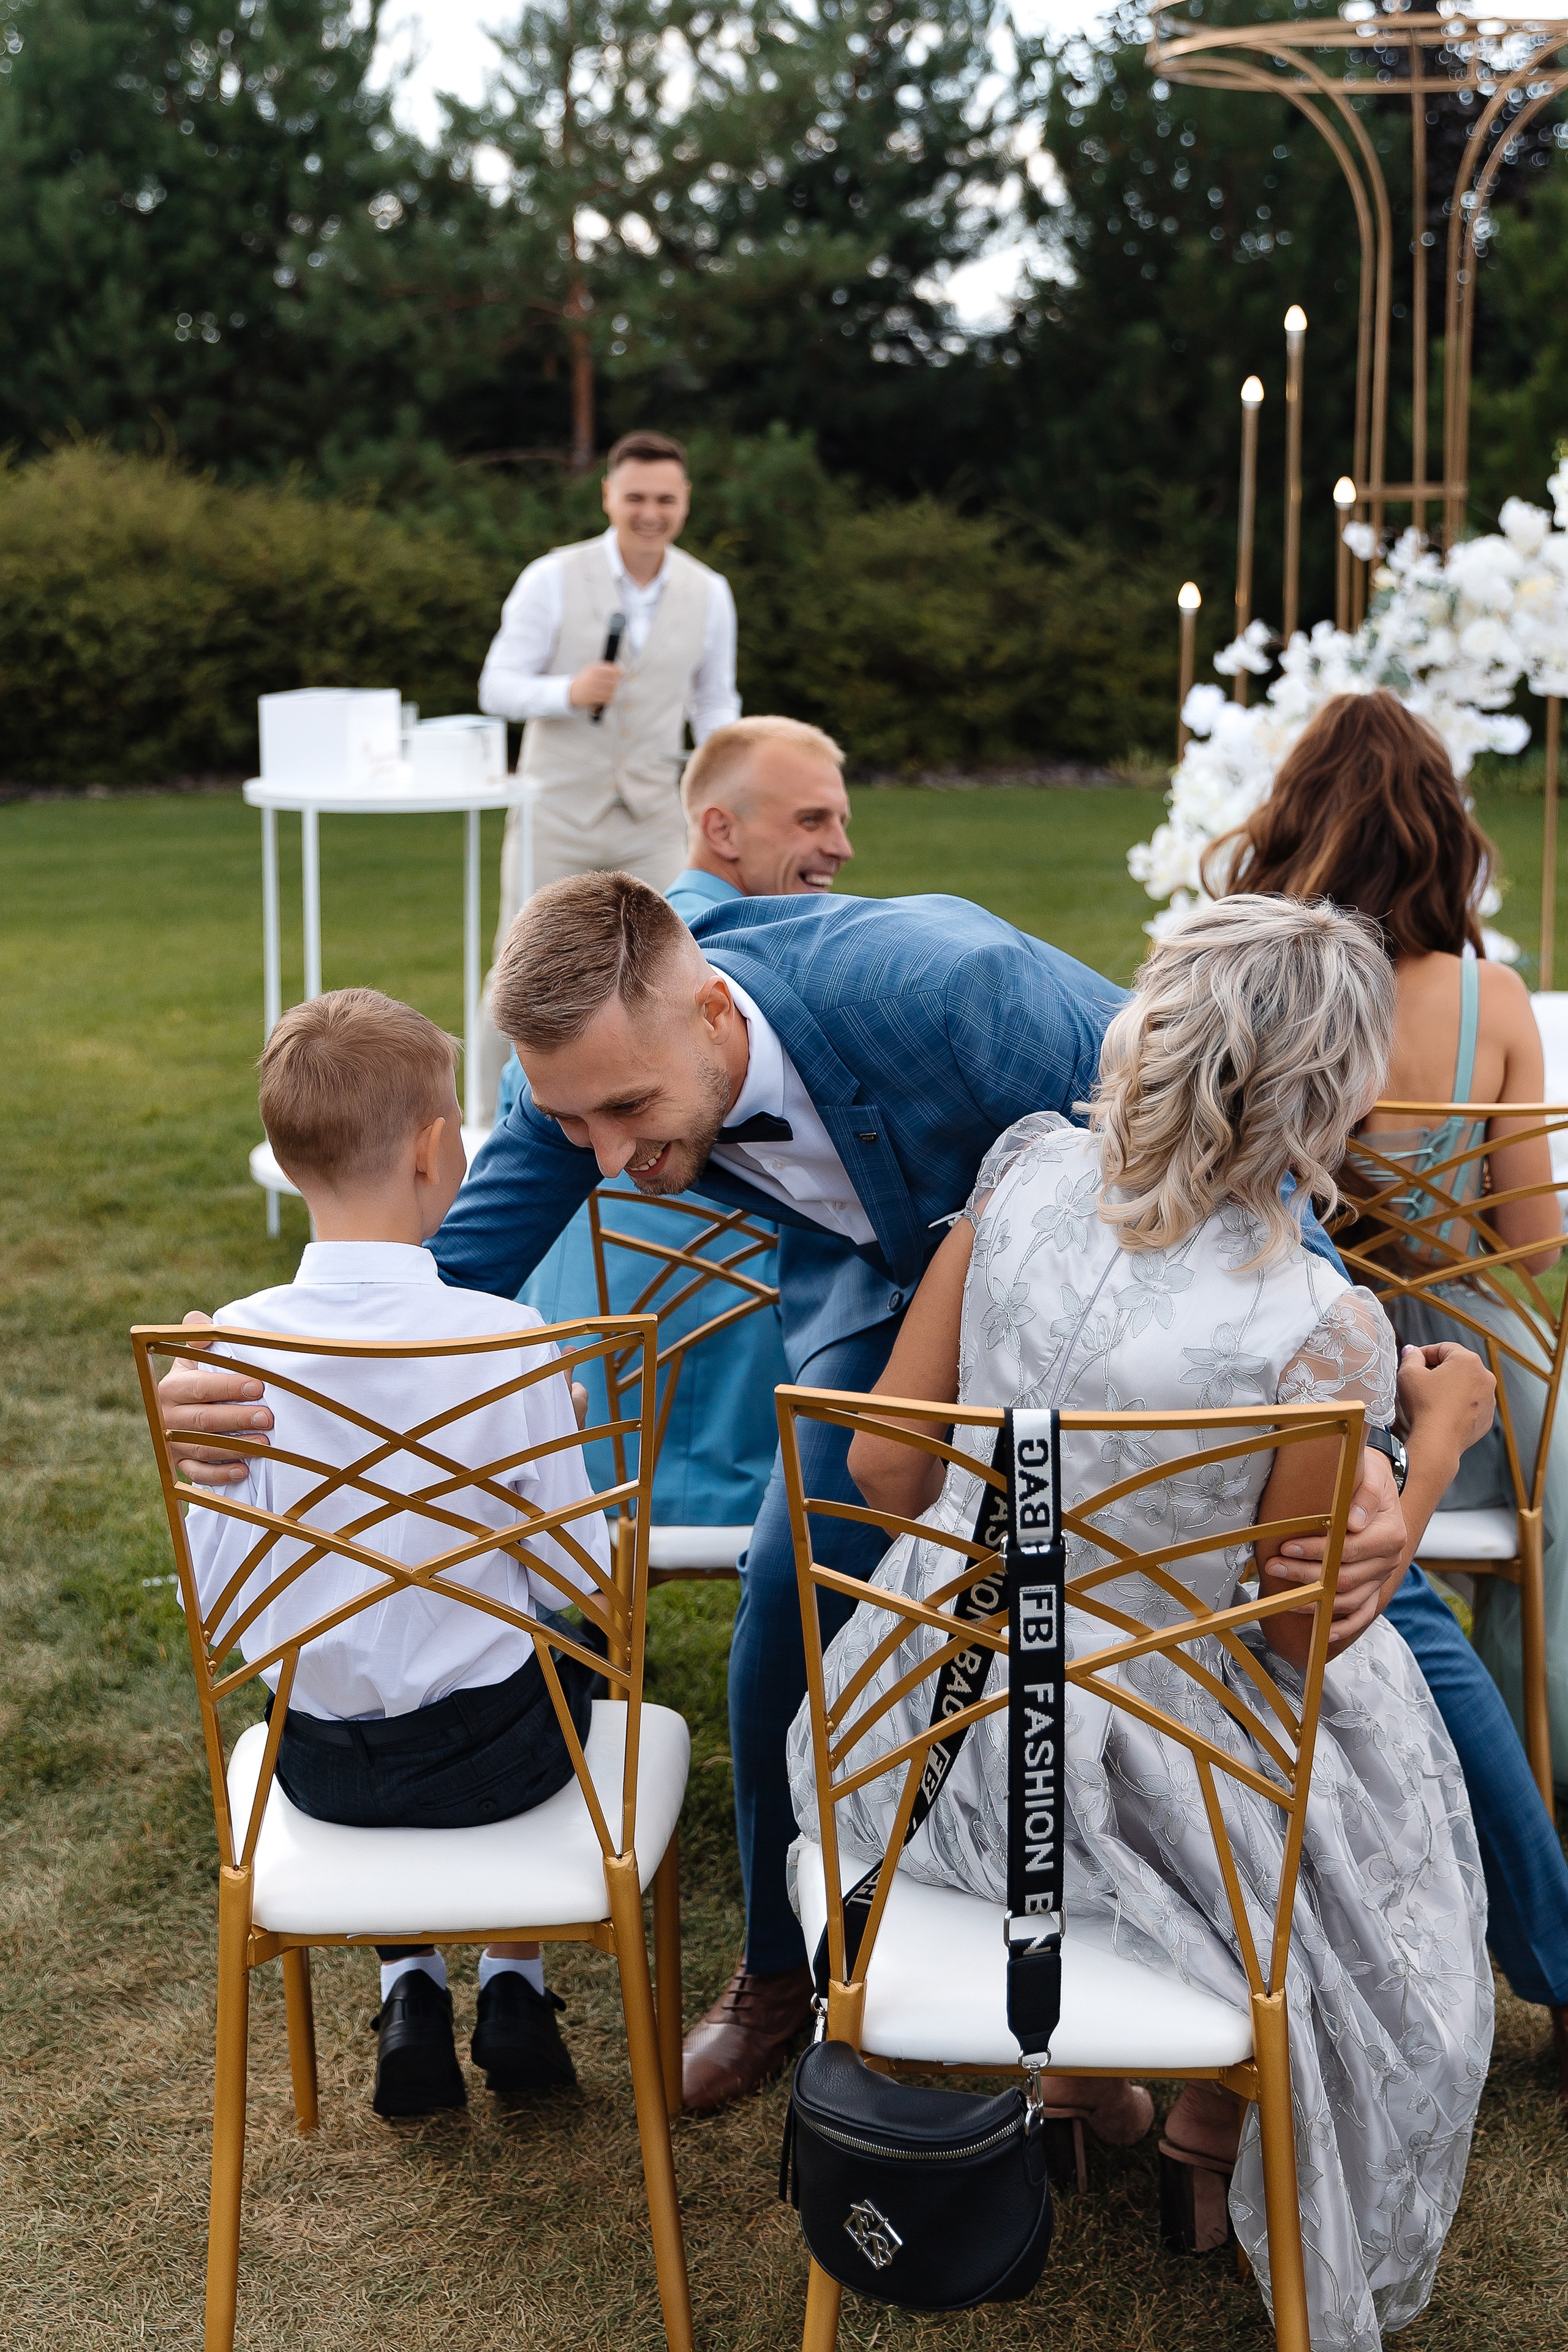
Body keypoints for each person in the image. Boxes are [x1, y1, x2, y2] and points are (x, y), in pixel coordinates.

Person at [796, 898, 1496, 2351]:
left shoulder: (1026, 1172)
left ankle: (1073, 2090)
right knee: (1371, 1796)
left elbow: (880, 1469)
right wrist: (1429, 1444)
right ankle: (1194, 2127)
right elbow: (1292, 1636)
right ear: (1333, 1082)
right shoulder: (1316, 1322)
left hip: (923, 1750)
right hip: (1136, 1784)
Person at [1208, 688, 1568, 2095]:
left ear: (1294, 822)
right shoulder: (1488, 1001)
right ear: (1444, 839)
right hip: (1481, 1380)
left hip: (1317, 1352)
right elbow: (1528, 1232)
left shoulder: (1256, 984)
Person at [183, 989, 609, 2118]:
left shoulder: (228, 1351)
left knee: (366, 1641)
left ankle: (410, 1984)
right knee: (563, 1644)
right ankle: (514, 1982)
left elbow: (225, 1602)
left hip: (318, 1769)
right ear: (435, 1152)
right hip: (495, 1764)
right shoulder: (506, 1343)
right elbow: (583, 1575)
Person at [500, 717, 855, 1533]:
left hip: (587, 1425)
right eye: (812, 821)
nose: (840, 847)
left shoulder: (576, 996)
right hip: (762, 1439)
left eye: (839, 821)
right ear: (719, 828)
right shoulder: (725, 1000)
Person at [473, 428, 741, 1115]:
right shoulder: (551, 577)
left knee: (668, 972)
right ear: (607, 497)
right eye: (636, 497)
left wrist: (726, 779)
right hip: (557, 810)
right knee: (521, 969)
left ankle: (652, 1118)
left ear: (684, 502)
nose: (650, 512)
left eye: (665, 499)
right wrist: (565, 691)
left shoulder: (709, 592)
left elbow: (714, 700)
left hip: (656, 814)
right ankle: (486, 1126)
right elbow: (496, 686)